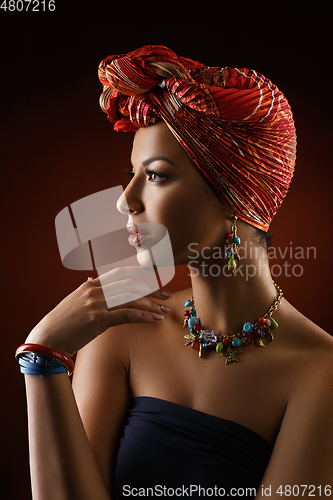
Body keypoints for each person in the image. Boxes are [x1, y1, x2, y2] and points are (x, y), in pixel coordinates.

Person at [16, 46, 333, 499]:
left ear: (235, 201)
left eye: (157, 176)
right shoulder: (118, 331)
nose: (126, 200)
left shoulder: (322, 374)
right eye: (131, 173)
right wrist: (42, 357)